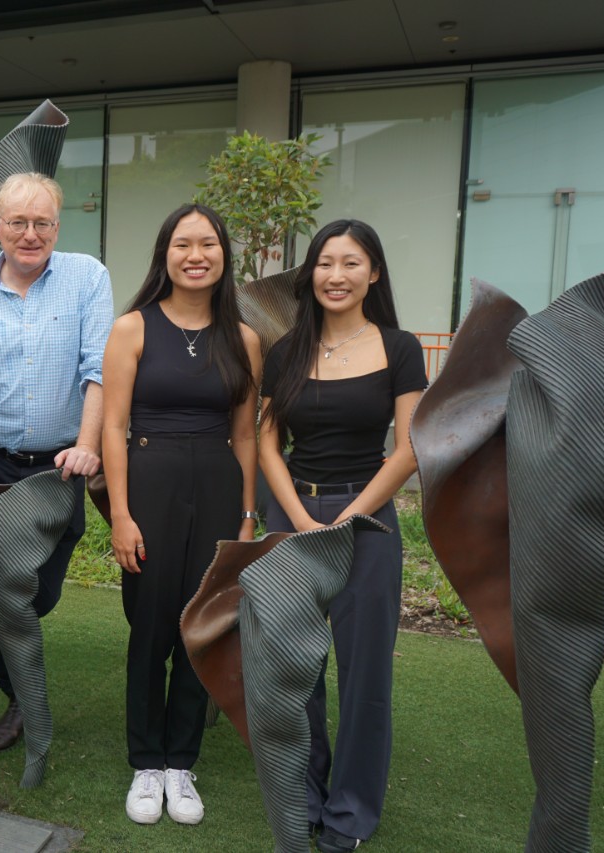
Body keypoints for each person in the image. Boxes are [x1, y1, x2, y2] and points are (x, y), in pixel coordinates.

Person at [0, 172, 114, 754]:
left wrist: (87, 446)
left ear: (57, 226)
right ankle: (19, 700)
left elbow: (97, 369)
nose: (30, 235)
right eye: (18, 223)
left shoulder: (87, 278)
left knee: (38, 593)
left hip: (59, 467)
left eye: (42, 223)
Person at [257, 220, 427, 853]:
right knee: (295, 666)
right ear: (311, 273)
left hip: (370, 521)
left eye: (351, 263)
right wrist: (299, 516)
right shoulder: (287, 351)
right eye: (326, 263)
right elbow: (268, 439)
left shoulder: (400, 347)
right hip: (292, 518)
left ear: (373, 273)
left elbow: (409, 448)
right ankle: (304, 794)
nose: (336, 275)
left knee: (364, 675)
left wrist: (352, 512)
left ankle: (349, 814)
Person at [101, 203, 261, 826]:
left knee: (204, 623)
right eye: (183, 244)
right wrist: (120, 513)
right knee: (151, 624)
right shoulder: (132, 329)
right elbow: (113, 427)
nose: (196, 255)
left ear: (224, 256)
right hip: (150, 485)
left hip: (219, 488)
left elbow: (246, 435)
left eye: (209, 245)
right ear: (165, 254)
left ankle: (180, 764)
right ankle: (146, 760)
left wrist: (248, 515)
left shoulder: (243, 339)